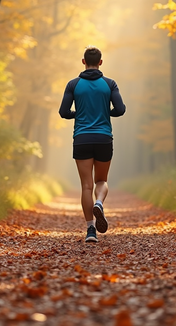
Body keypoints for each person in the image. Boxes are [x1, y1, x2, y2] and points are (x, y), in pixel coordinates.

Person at [58, 46, 126, 243]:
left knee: (86, 186)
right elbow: (120, 109)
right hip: (104, 138)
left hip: (82, 138)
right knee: (101, 181)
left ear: (83, 61)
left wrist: (77, 114)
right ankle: (99, 202)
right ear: (101, 62)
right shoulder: (110, 84)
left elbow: (63, 112)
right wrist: (106, 112)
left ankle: (90, 231)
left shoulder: (73, 84)